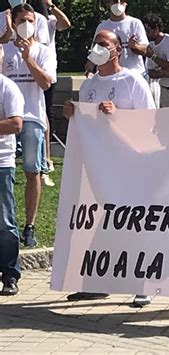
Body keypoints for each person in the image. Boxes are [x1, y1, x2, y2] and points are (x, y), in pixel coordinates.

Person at [64, 30, 156, 307]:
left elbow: (150, 120)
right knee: (102, 222)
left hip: (129, 165)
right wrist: (73, 113)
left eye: (104, 44)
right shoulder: (90, 87)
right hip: (98, 166)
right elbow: (85, 127)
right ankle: (97, 282)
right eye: (96, 43)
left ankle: (143, 284)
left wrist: (118, 114)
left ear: (117, 50)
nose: (98, 47)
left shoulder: (132, 81)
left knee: (134, 224)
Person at [2, 3, 55, 247]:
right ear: (13, 22)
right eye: (22, 20)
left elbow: (46, 83)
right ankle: (7, 219)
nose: (26, 25)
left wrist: (28, 59)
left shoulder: (43, 50)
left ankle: (30, 225)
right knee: (6, 171)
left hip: (32, 116)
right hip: (8, 118)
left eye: (31, 20)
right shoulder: (4, 50)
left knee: (32, 170)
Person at [40, 0, 70, 187]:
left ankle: (46, 157)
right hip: (22, 74)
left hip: (47, 74)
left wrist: (51, 6)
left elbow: (65, 24)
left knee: (45, 114)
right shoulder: (21, 18)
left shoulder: (49, 20)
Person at [0, 71, 24, 296]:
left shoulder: (7, 88)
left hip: (1, 162)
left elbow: (16, 124)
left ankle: (10, 274)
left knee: (5, 222)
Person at [86, 0, 148, 76]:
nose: (118, 3)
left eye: (121, 1)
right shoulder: (102, 27)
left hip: (134, 73)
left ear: (126, 3)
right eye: (115, 1)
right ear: (108, 3)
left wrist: (135, 46)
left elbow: (145, 49)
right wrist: (89, 71)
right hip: (110, 75)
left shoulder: (135, 23)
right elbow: (94, 52)